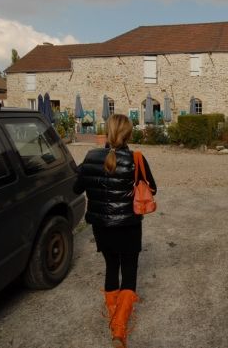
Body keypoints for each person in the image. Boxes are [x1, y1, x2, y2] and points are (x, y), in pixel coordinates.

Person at [74, 114, 156, 348]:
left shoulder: (90, 157)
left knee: (111, 267)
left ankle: (113, 319)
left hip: (102, 227)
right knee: (129, 270)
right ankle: (119, 328)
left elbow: (76, 187)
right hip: (129, 226)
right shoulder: (136, 159)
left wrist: (86, 170)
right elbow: (153, 189)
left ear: (107, 132)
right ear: (129, 134)